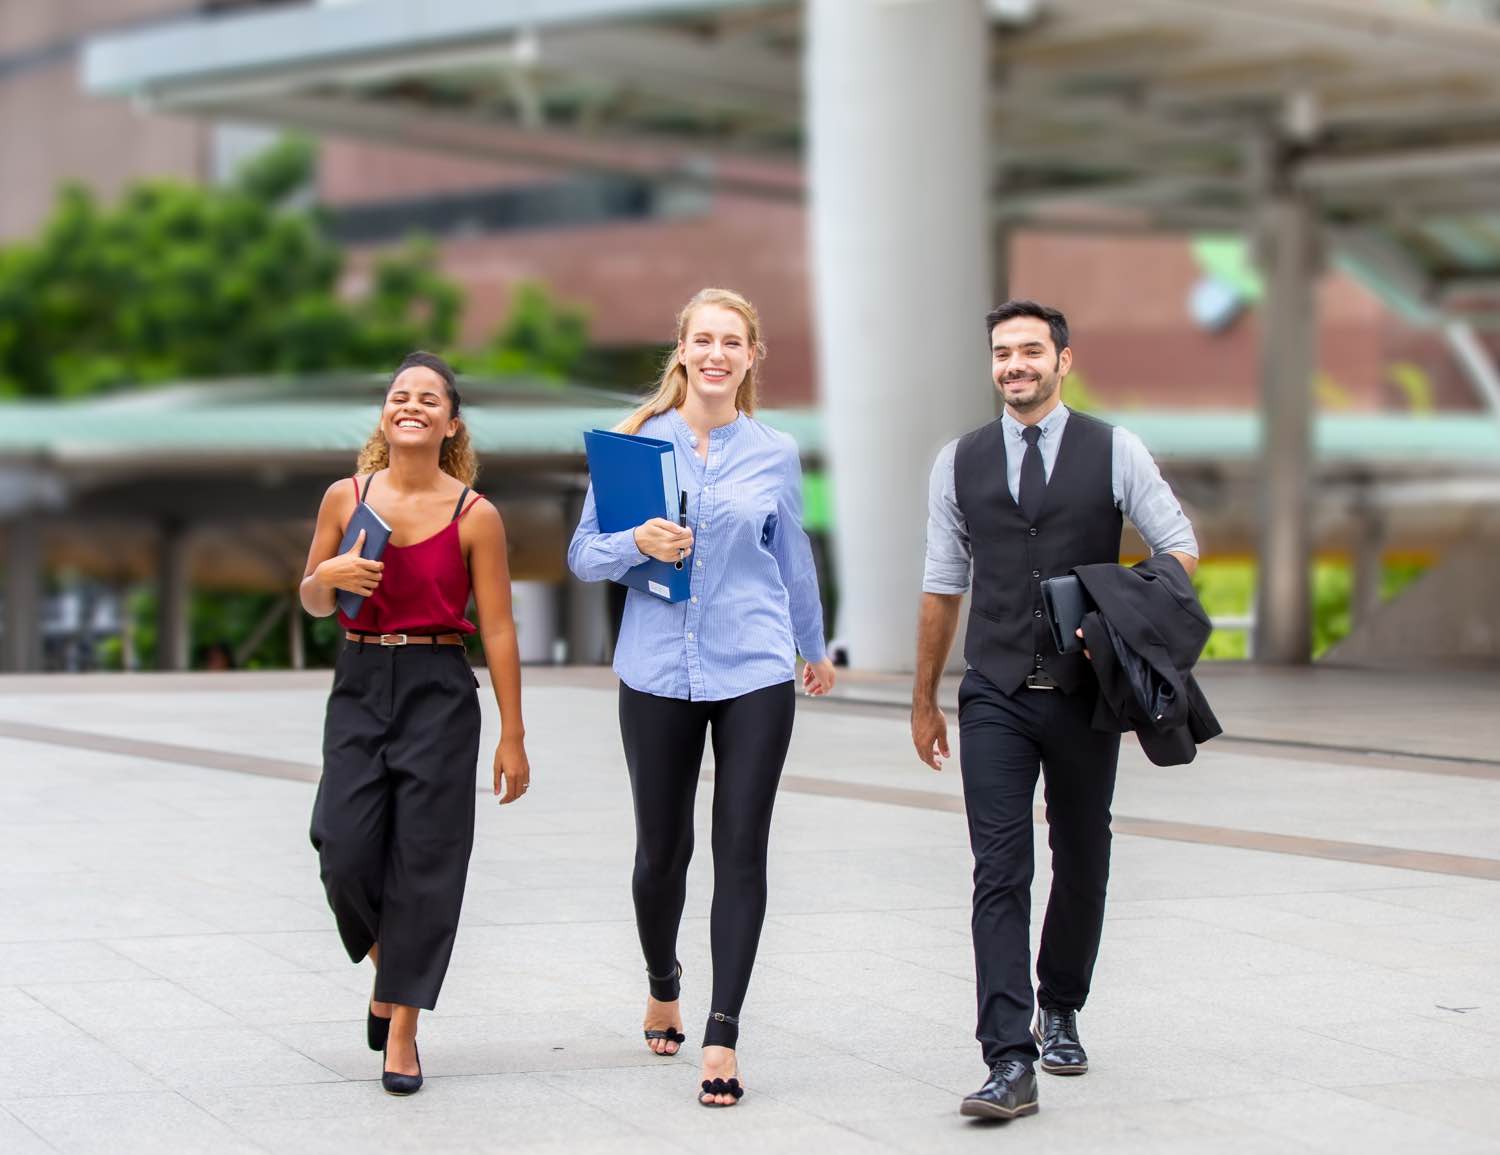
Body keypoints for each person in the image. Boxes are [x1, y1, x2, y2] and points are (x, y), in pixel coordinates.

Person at [910, 300, 1198, 1121]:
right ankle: (1008, 1057)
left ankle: (1061, 1001)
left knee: (1081, 854)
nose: (1015, 365)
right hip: (993, 691)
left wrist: (1114, 610)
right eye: (1003, 352)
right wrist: (924, 696)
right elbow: (942, 582)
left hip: (1084, 695)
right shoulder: (957, 461)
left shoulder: (1116, 450)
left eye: (1030, 351)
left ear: (1063, 360)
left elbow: (1179, 547)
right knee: (999, 869)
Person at [568, 288, 836, 1108]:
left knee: (742, 847)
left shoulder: (776, 452)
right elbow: (583, 556)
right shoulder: (632, 444)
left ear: (751, 357)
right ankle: (662, 978)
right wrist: (633, 542)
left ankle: (721, 1034)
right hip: (655, 670)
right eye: (703, 340)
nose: (716, 353)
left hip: (753, 665)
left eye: (732, 342)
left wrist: (813, 647)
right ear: (681, 350)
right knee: (662, 852)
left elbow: (793, 556)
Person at [299, 351, 531, 1097]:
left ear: (450, 423)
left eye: (429, 398)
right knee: (342, 846)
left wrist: (513, 733)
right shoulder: (346, 496)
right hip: (361, 680)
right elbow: (311, 596)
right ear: (385, 416)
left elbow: (496, 628)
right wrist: (325, 578)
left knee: (427, 862)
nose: (412, 404)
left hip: (438, 685)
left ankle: (402, 1028)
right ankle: (386, 972)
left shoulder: (476, 514)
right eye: (401, 395)